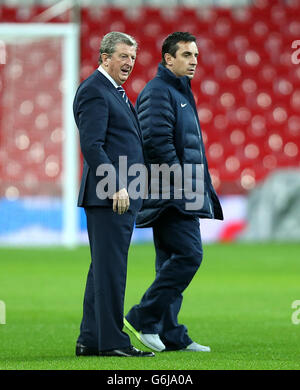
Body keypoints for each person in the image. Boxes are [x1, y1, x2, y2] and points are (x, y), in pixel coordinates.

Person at [124, 32, 223, 352]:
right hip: (172, 191)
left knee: (170, 260)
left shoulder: (178, 91)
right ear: (168, 59)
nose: (193, 61)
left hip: (182, 190)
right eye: (186, 55)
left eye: (195, 55)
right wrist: (182, 182)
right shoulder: (158, 92)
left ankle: (170, 333)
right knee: (189, 255)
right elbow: (155, 142)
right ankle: (142, 316)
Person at [73, 32, 154, 357]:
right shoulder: (95, 91)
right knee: (111, 268)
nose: (129, 63)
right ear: (104, 57)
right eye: (123, 56)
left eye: (132, 57)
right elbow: (92, 145)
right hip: (110, 196)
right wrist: (115, 185)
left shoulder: (113, 92)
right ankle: (113, 343)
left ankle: (91, 339)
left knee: (103, 267)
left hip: (121, 193)